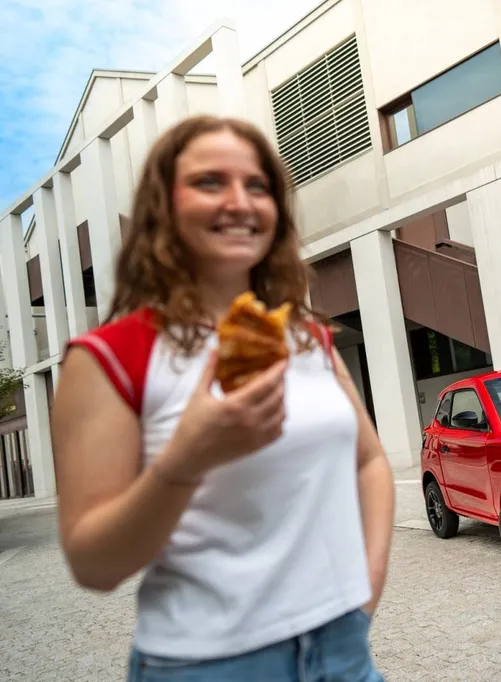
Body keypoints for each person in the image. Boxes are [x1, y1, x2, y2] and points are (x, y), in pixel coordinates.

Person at [51, 115, 394, 681]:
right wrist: (185, 461)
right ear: (163, 206)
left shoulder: (306, 337)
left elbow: (369, 461)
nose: (239, 202)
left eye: (257, 186)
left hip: (344, 652)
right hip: (206, 665)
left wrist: (366, 589)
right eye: (210, 182)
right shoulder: (109, 356)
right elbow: (93, 564)